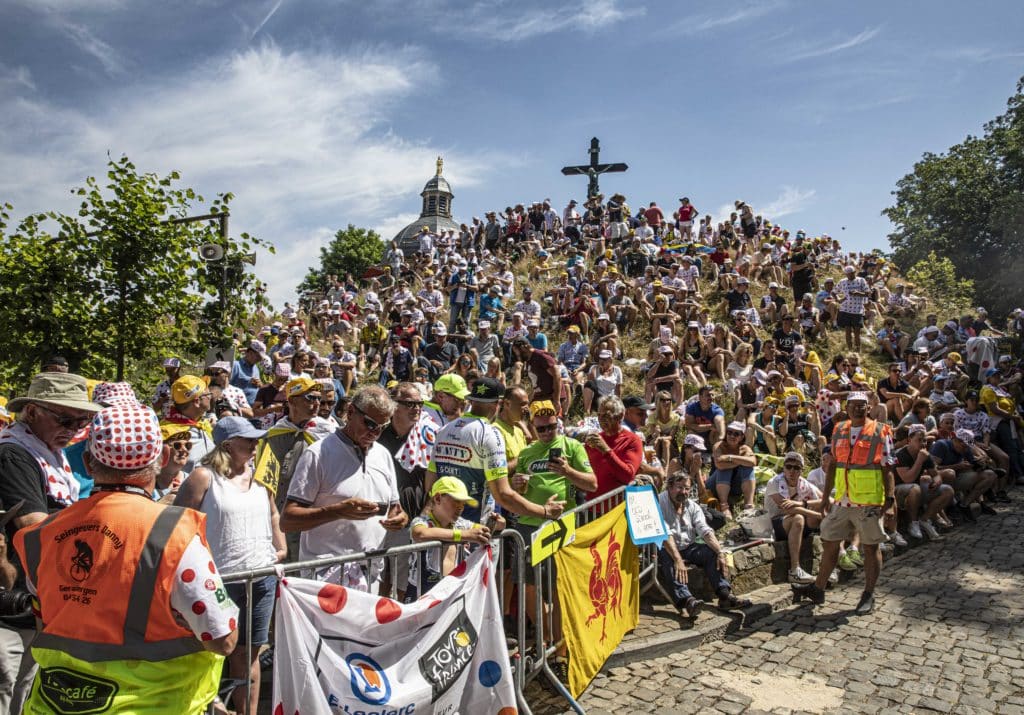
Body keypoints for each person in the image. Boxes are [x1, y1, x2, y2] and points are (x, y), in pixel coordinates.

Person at [14, 403, 238, 714]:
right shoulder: (174, 534)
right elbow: (222, 637)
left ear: (89, 463)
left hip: (52, 705)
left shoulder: (41, 536)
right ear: (161, 459)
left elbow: (47, 622)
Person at [0, 372, 102, 711]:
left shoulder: (49, 454)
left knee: (24, 693)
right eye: (64, 419)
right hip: (9, 611)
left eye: (81, 421)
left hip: (34, 603)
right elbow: (37, 527)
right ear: (31, 413)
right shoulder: (15, 454)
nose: (73, 429)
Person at [174, 416, 285, 715]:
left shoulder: (260, 475)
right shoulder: (203, 477)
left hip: (260, 578)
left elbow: (273, 513)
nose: (255, 445)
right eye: (248, 440)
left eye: (256, 440)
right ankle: (206, 708)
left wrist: (281, 547)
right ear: (227, 445)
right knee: (209, 653)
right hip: (217, 581)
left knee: (247, 655)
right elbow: (177, 525)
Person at [280, 386, 409, 591]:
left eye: (382, 427)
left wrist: (400, 519)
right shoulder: (318, 455)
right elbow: (287, 520)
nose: (374, 433)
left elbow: (395, 508)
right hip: (326, 575)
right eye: (370, 424)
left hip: (370, 572)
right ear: (350, 412)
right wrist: (337, 511)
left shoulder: (383, 455)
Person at [793, 392, 895, 615]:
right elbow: (834, 466)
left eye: (862, 406)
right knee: (830, 541)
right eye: (853, 406)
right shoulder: (840, 429)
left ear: (868, 408)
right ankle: (818, 588)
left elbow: (888, 467)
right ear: (846, 408)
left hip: (868, 500)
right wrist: (826, 498)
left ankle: (868, 594)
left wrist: (890, 501)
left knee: (870, 547)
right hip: (842, 499)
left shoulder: (880, 430)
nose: (858, 409)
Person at [425, 377, 565, 524]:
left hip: (442, 523)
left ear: (471, 400)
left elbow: (430, 485)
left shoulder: (444, 430)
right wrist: (544, 511)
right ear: (498, 404)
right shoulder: (490, 434)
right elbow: (503, 494)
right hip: (474, 528)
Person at [657, 472, 751, 619]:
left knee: (711, 553)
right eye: (679, 487)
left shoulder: (692, 506)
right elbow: (664, 533)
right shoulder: (660, 502)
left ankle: (724, 596)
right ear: (669, 487)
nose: (684, 492)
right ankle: (687, 601)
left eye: (687, 488)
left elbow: (705, 530)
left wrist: (720, 552)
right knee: (670, 560)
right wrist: (678, 560)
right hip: (666, 545)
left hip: (688, 545)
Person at [377, 382, 436, 599]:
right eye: (410, 403)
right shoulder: (378, 436)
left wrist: (426, 515)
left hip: (413, 518)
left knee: (405, 578)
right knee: (381, 576)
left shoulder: (426, 437)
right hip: (382, 518)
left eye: (420, 404)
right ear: (394, 406)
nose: (417, 409)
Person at [408, 478, 491, 597]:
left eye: (463, 504)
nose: (461, 508)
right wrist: (463, 535)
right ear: (437, 498)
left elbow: (483, 529)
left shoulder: (460, 524)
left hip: (450, 590)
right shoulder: (422, 521)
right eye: (457, 501)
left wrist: (497, 522)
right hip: (420, 592)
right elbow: (420, 533)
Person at [765, 453, 823, 584]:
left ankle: (828, 564)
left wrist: (805, 504)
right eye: (788, 467)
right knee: (799, 518)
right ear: (783, 468)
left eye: (796, 468)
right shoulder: (774, 482)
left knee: (817, 510)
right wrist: (818, 515)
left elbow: (826, 499)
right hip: (775, 524)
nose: (792, 471)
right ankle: (794, 569)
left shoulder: (804, 483)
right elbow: (788, 509)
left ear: (801, 470)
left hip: (796, 524)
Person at [894, 425, 955, 539]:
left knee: (947, 490)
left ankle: (925, 519)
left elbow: (936, 475)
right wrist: (919, 460)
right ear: (909, 440)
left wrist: (936, 482)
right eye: (919, 440)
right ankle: (913, 523)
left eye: (924, 440)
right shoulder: (901, 455)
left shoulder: (924, 454)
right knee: (914, 488)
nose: (923, 443)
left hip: (915, 487)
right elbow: (908, 479)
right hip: (898, 490)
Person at [585, 396, 644, 498]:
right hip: (592, 507)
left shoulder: (632, 440)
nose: (601, 419)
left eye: (606, 415)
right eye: (599, 415)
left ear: (620, 416)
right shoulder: (594, 440)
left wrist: (606, 450)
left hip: (617, 508)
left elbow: (628, 476)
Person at [161, 375, 216, 472]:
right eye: (208, 394)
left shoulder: (202, 424)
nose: (211, 397)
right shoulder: (168, 434)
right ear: (197, 401)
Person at [708, 421, 759, 519]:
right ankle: (724, 506)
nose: (732, 436)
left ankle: (748, 505)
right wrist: (741, 461)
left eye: (736, 434)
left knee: (748, 468)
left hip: (735, 486)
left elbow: (753, 462)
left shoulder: (745, 448)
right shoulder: (719, 446)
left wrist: (730, 457)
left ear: (741, 437)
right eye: (730, 432)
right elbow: (719, 464)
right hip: (714, 484)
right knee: (725, 469)